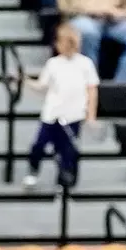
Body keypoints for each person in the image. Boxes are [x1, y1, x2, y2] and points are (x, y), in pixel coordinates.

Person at [22, 23, 99, 189]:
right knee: (39, 145)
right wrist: (25, 81)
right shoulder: (53, 64)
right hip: (51, 115)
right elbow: (42, 85)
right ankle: (33, 173)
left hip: (73, 116)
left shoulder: (86, 64)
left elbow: (92, 90)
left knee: (67, 150)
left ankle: (64, 180)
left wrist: (91, 115)